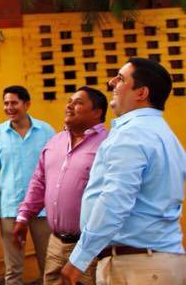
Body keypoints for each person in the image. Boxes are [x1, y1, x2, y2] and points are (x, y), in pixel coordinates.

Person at [61, 58, 186, 285]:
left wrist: (78, 260)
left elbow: (114, 200)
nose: (111, 83)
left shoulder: (132, 133)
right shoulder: (164, 134)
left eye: (120, 78)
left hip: (137, 266)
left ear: (141, 93)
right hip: (154, 261)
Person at [13, 87, 108, 285]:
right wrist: (23, 217)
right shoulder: (55, 141)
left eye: (79, 102)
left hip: (90, 247)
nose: (69, 106)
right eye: (69, 101)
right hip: (56, 243)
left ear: (97, 112)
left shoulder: (108, 145)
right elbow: (39, 182)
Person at [0, 86, 56, 285]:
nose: (9, 107)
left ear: (27, 104)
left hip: (42, 209)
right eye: (6, 103)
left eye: (14, 103)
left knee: (50, 267)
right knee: (13, 271)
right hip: (10, 210)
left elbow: (56, 168)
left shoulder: (46, 130)